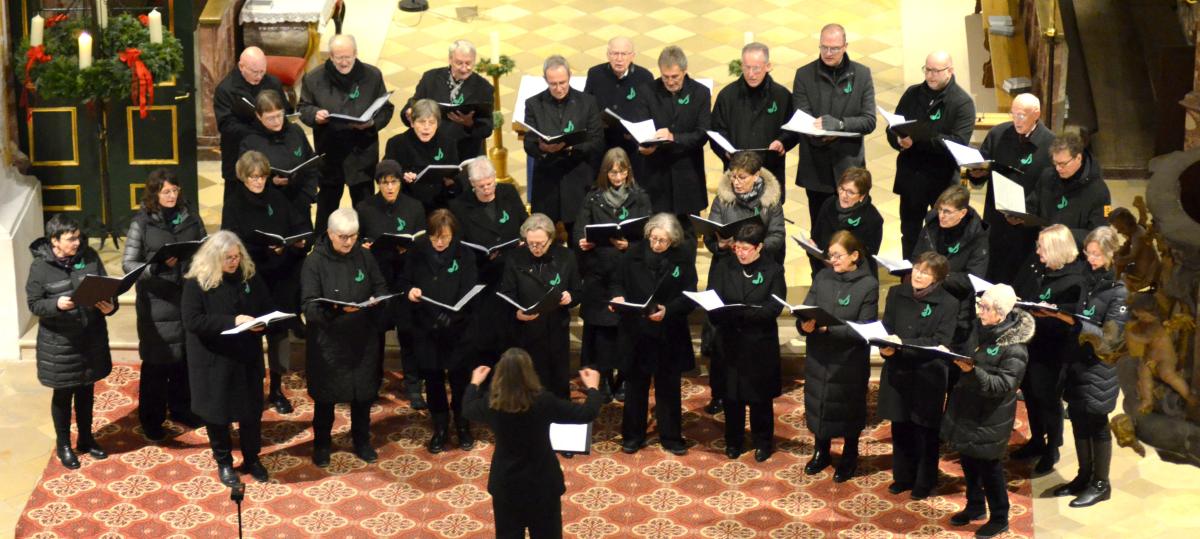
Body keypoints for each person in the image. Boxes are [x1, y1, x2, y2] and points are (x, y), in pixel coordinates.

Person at [462, 349, 604, 539]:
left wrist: (474, 383)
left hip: (506, 483)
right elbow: (586, 414)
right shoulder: (544, 401)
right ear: (530, 372)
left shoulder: (491, 403)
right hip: (543, 482)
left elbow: (467, 409)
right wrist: (593, 388)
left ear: (499, 374)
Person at [221, 151, 312, 414]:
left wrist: (295, 243)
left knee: (278, 335)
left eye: (262, 176)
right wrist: (263, 248)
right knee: (249, 335)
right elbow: (230, 242)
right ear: (243, 177)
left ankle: (276, 389)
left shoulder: (277, 197)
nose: (259, 182)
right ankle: (249, 388)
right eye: (253, 177)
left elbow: (298, 225)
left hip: (279, 278)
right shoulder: (234, 203)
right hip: (250, 278)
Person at [181, 231, 274, 486]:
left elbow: (265, 306)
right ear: (214, 257)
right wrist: (233, 321)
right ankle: (224, 463)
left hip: (246, 357)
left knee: (251, 412)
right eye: (228, 258)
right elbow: (192, 320)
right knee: (217, 414)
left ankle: (252, 458)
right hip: (214, 359)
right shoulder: (197, 282)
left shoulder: (248, 276)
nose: (234, 262)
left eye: (237, 256)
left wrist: (262, 323)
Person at [941, 284, 1033, 539]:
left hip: (990, 416)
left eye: (985, 307)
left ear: (1001, 313)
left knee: (990, 469)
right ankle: (975, 506)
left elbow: (1004, 385)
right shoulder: (981, 330)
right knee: (968, 461)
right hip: (968, 408)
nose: (979, 311)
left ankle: (1000, 517)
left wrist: (972, 371)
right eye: (980, 305)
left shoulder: (1015, 347)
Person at [26, 214, 117, 469]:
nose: (77, 242)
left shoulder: (90, 257)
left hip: (91, 337)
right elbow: (34, 304)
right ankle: (64, 444)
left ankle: (86, 438)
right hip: (61, 343)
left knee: (87, 390)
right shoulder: (40, 266)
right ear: (54, 241)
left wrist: (110, 306)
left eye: (78, 237)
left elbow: (107, 289)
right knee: (64, 393)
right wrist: (56, 304)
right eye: (70, 239)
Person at [121, 169, 207, 441]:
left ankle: (182, 408)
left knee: (184, 359)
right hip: (157, 301)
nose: (172, 196)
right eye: (166, 191)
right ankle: (152, 419)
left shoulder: (190, 217)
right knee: (157, 363)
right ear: (155, 194)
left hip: (187, 297)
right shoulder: (142, 223)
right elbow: (128, 264)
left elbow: (205, 248)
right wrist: (155, 268)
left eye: (175, 190)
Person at [301, 208, 389, 466]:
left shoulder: (365, 256)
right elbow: (308, 306)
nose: (349, 242)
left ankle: (361, 440)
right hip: (329, 343)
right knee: (326, 399)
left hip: (362, 339)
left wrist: (377, 300)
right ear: (330, 234)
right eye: (343, 237)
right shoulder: (314, 262)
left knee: (363, 396)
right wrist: (337, 310)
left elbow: (381, 287)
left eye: (353, 236)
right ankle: (322, 445)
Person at [701, 151, 785, 414]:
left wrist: (753, 247)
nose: (736, 182)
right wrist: (722, 245)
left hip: (758, 269)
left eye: (742, 177)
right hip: (726, 269)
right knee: (718, 332)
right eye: (733, 177)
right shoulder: (723, 199)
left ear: (756, 176)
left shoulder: (771, 200)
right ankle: (720, 392)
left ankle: (754, 391)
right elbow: (711, 236)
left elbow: (777, 235)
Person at [1050, 226, 1128, 507]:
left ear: (1111, 254)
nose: (1091, 259)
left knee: (1096, 422)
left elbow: (1111, 339)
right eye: (1088, 252)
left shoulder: (1120, 290)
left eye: (1097, 254)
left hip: (1100, 366)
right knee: (1078, 417)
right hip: (1078, 360)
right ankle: (1084, 476)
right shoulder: (1088, 277)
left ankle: (1100, 483)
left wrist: (1076, 322)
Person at [611, 213, 697, 455]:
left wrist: (668, 310)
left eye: (663, 240)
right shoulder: (632, 255)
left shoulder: (682, 259)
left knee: (668, 388)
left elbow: (690, 296)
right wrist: (618, 296)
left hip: (668, 332)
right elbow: (617, 282)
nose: (657, 244)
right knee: (635, 387)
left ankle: (671, 437)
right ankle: (632, 436)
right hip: (637, 332)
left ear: (673, 240)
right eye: (654, 238)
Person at [798, 230, 880, 481]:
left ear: (854, 256)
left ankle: (849, 455)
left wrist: (828, 329)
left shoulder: (868, 284)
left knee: (848, 409)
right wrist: (804, 325)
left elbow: (864, 328)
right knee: (819, 404)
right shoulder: (823, 277)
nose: (832, 260)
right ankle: (821, 451)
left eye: (838, 255)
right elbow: (806, 308)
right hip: (819, 356)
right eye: (830, 255)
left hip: (848, 361)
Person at [877, 252, 959, 499]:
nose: (918, 275)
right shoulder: (896, 293)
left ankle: (925, 481)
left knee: (925, 431)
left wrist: (901, 344)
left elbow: (941, 340)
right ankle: (902, 477)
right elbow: (887, 328)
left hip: (928, 375)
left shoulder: (948, 303)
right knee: (900, 426)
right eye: (916, 269)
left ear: (938, 278)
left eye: (925, 272)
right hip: (898, 370)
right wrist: (885, 347)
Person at [573, 148, 652, 401]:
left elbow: (650, 236)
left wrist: (630, 245)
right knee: (601, 333)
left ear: (628, 171)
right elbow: (579, 231)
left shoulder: (640, 197)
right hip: (599, 273)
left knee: (627, 332)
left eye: (621, 171)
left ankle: (625, 378)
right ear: (605, 173)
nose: (617, 177)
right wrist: (582, 242)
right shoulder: (593, 198)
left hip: (629, 274)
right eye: (613, 172)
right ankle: (604, 378)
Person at [402, 210, 481, 453]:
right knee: (434, 381)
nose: (439, 242)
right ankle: (440, 427)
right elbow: (404, 281)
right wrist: (410, 291)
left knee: (460, 381)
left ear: (452, 235)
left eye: (444, 237)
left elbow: (470, 290)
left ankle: (463, 425)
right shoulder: (416, 251)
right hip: (427, 327)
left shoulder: (465, 254)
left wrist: (453, 315)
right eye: (435, 237)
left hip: (457, 329)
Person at [707, 222, 786, 462]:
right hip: (729, 341)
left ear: (759, 247)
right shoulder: (724, 266)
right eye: (737, 248)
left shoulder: (773, 270)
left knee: (760, 398)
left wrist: (743, 314)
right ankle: (734, 440)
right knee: (731, 396)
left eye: (745, 249)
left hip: (759, 344)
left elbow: (774, 306)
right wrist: (726, 313)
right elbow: (712, 298)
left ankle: (763, 442)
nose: (740, 253)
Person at [298, 34, 393, 234]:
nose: (343, 62)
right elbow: (303, 108)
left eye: (347, 57)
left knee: (365, 209)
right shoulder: (314, 78)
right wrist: (315, 115)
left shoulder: (372, 75)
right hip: (330, 154)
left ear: (356, 54)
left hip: (362, 155)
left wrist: (372, 123)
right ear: (330, 56)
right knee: (327, 208)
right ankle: (323, 244)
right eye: (339, 58)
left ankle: (366, 243)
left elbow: (386, 109)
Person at [886, 51, 975, 258]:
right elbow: (893, 127)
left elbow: (959, 142)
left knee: (943, 235)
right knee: (910, 233)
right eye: (927, 70)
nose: (930, 75)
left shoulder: (962, 102)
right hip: (912, 177)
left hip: (942, 181)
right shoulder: (912, 94)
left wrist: (920, 139)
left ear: (950, 71)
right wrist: (899, 140)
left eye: (936, 71)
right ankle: (909, 273)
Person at [1013, 224, 1086, 475]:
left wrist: (1042, 314)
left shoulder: (1075, 282)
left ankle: (1052, 448)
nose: (1037, 251)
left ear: (1056, 249)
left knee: (1048, 400)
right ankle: (1036, 440)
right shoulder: (1039, 269)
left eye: (1041, 247)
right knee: (1031, 394)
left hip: (1053, 351)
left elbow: (1072, 322)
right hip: (1030, 344)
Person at [356, 160, 428, 408]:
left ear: (400, 182)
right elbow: (357, 242)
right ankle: (371, 384)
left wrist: (409, 248)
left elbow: (422, 241)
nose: (389, 187)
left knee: (408, 334)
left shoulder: (414, 207)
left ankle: (413, 386)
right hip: (378, 281)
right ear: (378, 183)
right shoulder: (365, 208)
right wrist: (364, 247)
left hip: (405, 280)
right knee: (375, 337)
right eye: (384, 182)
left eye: (394, 182)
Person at [791, 23, 877, 224]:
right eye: (824, 47)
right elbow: (802, 116)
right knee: (819, 228)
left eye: (834, 48)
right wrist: (819, 133)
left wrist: (839, 126)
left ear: (845, 46)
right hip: (816, 167)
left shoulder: (862, 74)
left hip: (849, 167)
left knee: (850, 230)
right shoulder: (804, 74)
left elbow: (869, 120)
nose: (828, 53)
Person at [449, 159, 529, 372]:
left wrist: (523, 240)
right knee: (487, 332)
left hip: (512, 272)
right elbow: (459, 245)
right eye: (481, 186)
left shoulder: (508, 192)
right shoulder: (459, 206)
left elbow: (524, 222)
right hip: (483, 277)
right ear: (472, 184)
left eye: (490, 183)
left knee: (513, 332)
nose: (487, 189)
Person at [968, 93, 1054, 285]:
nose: (1016, 120)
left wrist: (1026, 212)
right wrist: (976, 174)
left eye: (1022, 115)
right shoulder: (998, 134)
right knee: (992, 274)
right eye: (1013, 114)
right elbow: (980, 169)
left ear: (1036, 114)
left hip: (1028, 227)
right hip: (996, 221)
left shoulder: (1050, 144)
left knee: (1020, 279)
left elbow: (1050, 188)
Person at [498, 214, 582, 398]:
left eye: (541, 244)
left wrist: (570, 297)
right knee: (527, 384)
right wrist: (517, 312)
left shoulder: (566, 256)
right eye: (531, 243)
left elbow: (577, 291)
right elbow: (507, 293)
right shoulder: (515, 257)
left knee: (557, 383)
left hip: (556, 329)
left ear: (550, 239)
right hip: (525, 331)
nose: (535, 248)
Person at [632, 46, 711, 235]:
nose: (669, 81)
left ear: (684, 71)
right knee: (655, 234)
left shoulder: (700, 93)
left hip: (688, 176)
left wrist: (673, 138)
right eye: (665, 76)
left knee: (687, 236)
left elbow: (702, 134)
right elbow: (640, 128)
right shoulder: (646, 91)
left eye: (675, 77)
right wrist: (643, 146)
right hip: (655, 177)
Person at [524, 55, 604, 237]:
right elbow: (529, 143)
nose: (559, 88)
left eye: (562, 82)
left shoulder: (587, 102)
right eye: (553, 84)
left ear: (570, 77)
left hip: (576, 179)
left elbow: (597, 140)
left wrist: (571, 147)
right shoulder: (534, 104)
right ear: (545, 80)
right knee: (543, 236)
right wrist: (543, 148)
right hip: (547, 180)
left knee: (579, 237)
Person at [709, 42, 796, 191]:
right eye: (747, 67)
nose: (751, 74)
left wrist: (783, 142)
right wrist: (725, 151)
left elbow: (793, 129)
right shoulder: (727, 96)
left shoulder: (782, 96)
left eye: (756, 68)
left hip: (770, 176)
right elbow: (716, 131)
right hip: (736, 177)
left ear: (768, 66)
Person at [912, 184, 989, 349]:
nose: (941, 215)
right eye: (940, 209)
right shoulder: (932, 224)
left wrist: (938, 277)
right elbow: (916, 257)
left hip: (956, 309)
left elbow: (973, 279)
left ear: (962, 213)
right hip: (923, 302)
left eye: (947, 212)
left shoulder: (977, 237)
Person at [214, 46, 289, 199]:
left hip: (270, 151)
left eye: (262, 71)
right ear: (241, 66)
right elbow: (226, 125)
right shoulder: (225, 89)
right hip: (238, 153)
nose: (259, 76)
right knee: (237, 201)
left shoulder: (272, 83)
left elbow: (285, 110)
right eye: (255, 72)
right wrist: (259, 128)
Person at [401, 40, 494, 160]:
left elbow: (487, 129)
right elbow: (414, 103)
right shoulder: (431, 78)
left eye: (468, 63)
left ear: (474, 60)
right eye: (459, 63)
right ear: (450, 59)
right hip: (431, 148)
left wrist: (469, 124)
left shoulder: (484, 87)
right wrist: (409, 112)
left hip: (465, 152)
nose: (464, 68)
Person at [1015, 132, 1111, 247]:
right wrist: (1020, 217)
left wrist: (1062, 236)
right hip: (1045, 249)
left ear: (1078, 158)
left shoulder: (1099, 191)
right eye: (1055, 163)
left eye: (1062, 164)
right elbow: (1032, 205)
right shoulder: (1048, 176)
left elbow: (1100, 234)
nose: (1058, 168)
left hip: (1075, 253)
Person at [240, 89, 319, 225]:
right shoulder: (249, 141)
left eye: (279, 115)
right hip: (268, 208)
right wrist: (271, 182)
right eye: (270, 118)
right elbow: (245, 178)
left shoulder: (296, 131)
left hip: (300, 204)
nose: (277, 121)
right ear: (258, 116)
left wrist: (308, 195)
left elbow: (311, 164)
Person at [584, 37, 654, 170]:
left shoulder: (645, 77)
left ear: (632, 56)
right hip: (602, 142)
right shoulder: (595, 74)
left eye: (624, 54)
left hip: (632, 146)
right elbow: (586, 106)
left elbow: (650, 112)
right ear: (608, 55)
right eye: (615, 53)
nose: (619, 59)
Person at [384, 99, 463, 212]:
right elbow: (385, 175)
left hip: (439, 205)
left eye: (432, 122)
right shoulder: (397, 143)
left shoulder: (448, 143)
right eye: (421, 122)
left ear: (438, 124)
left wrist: (452, 183)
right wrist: (401, 175)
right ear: (412, 123)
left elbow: (456, 180)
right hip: (406, 205)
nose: (426, 127)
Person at [809, 166, 883, 278]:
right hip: (823, 272)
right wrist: (812, 248)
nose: (843, 195)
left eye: (850, 192)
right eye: (842, 189)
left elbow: (867, 258)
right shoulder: (828, 204)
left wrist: (837, 263)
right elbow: (816, 236)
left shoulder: (872, 219)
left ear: (862, 196)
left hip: (854, 278)